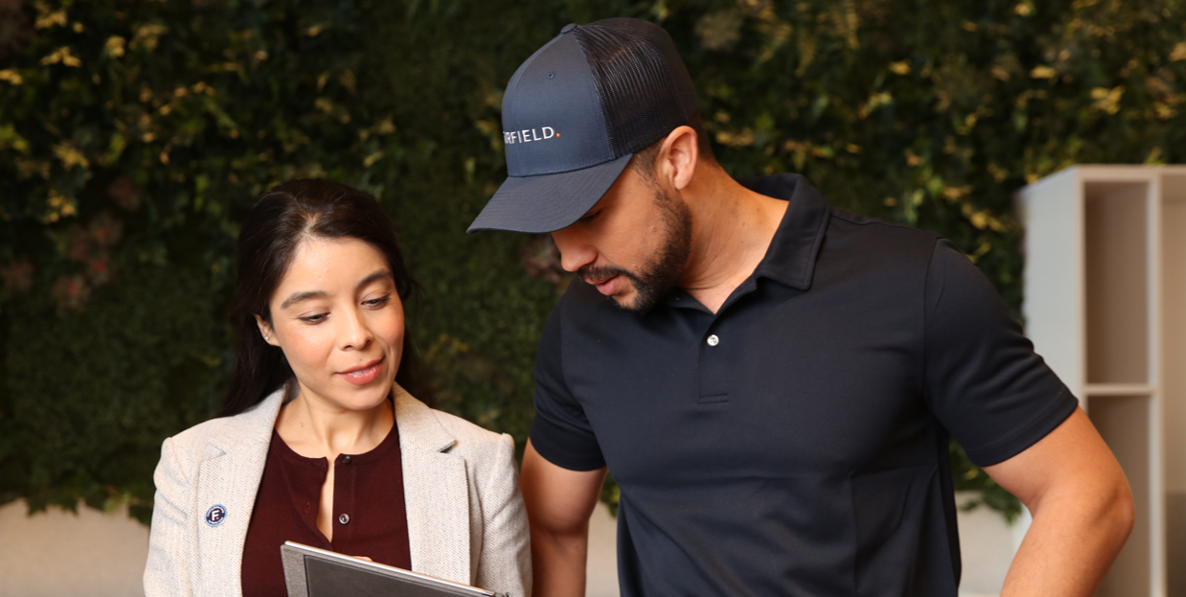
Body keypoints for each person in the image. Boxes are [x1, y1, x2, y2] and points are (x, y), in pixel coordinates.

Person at [467, 17, 1133, 597]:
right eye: (546, 224)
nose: (569, 256)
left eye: (590, 214)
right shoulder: (582, 325)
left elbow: (1088, 493)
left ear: (676, 158)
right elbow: (554, 524)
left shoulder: (915, 284)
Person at [144, 180, 530, 597]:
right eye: (315, 316)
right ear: (267, 327)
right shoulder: (191, 465)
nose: (357, 335)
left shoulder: (481, 464)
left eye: (375, 299)